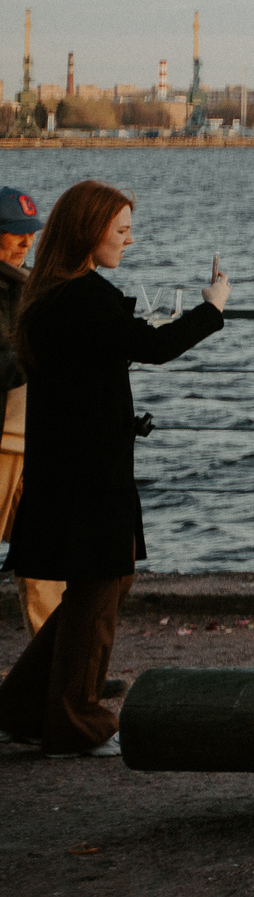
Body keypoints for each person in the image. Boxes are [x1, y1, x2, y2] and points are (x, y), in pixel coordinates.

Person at [0, 180, 230, 757]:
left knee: (95, 587)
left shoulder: (49, 293)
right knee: (101, 586)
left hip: (64, 465)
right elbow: (152, 347)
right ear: (89, 232)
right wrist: (213, 308)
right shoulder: (85, 297)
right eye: (121, 231)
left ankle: (21, 708)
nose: (131, 241)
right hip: (90, 473)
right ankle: (76, 721)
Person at [0, 183, 62, 634]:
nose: (27, 242)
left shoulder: (34, 285)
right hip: (5, 442)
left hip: (30, 442)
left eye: (31, 233)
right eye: (15, 233)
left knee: (46, 556)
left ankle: (56, 672)